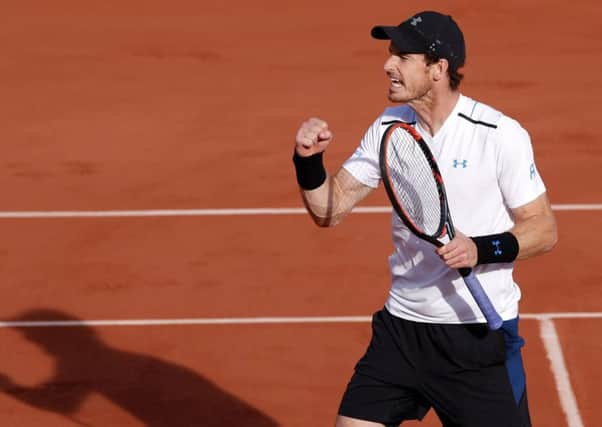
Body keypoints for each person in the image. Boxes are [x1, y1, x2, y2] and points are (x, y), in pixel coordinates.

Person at [292, 10, 557, 427]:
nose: (387, 64)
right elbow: (331, 208)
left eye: (401, 56)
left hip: (476, 340)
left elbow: (543, 228)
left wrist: (481, 248)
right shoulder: (388, 127)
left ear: (438, 68)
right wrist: (307, 162)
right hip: (403, 331)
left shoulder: (498, 133)